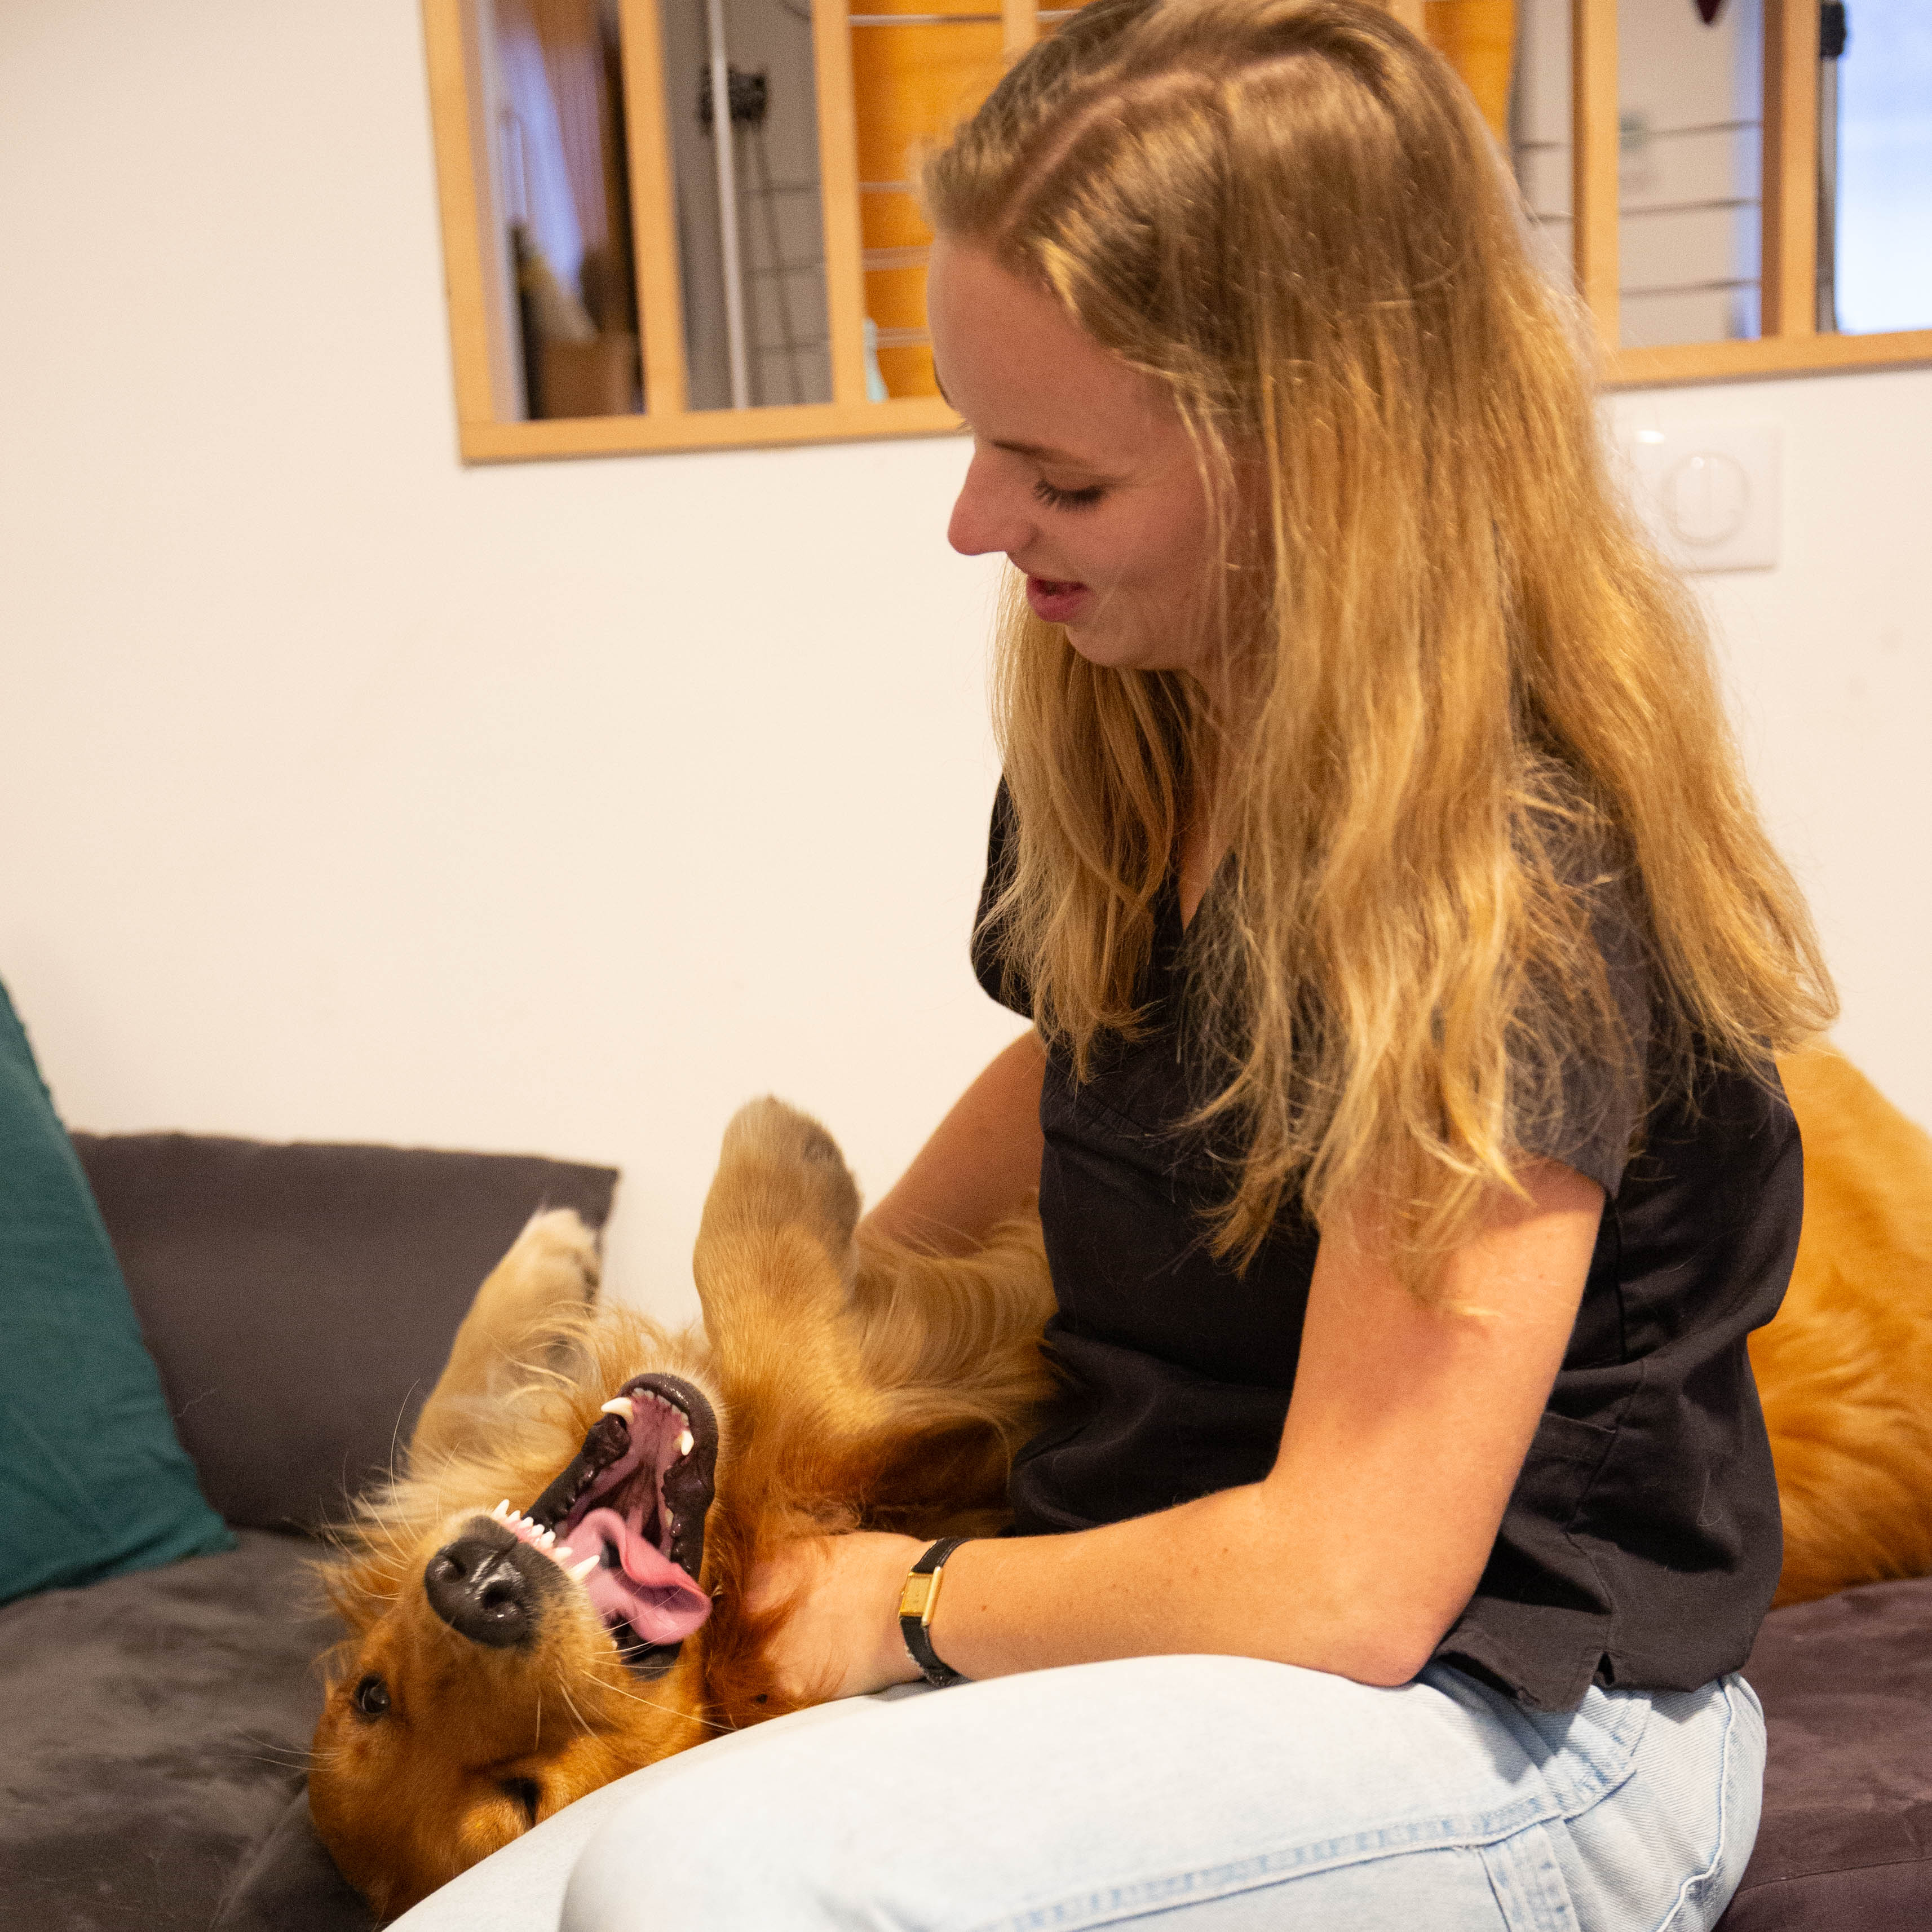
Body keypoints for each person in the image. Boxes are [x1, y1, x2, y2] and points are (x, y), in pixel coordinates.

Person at [548, 1, 1835, 1925]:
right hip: (1176, 1632)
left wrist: (897, 1600)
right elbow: (1084, 1065)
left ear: (1323, 463)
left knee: (684, 1887)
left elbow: (1349, 1579)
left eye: (1059, 480)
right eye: (975, 439)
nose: (977, 525)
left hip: (1507, 1711)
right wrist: (790, 1383)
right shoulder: (1139, 719)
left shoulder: (1512, 881)